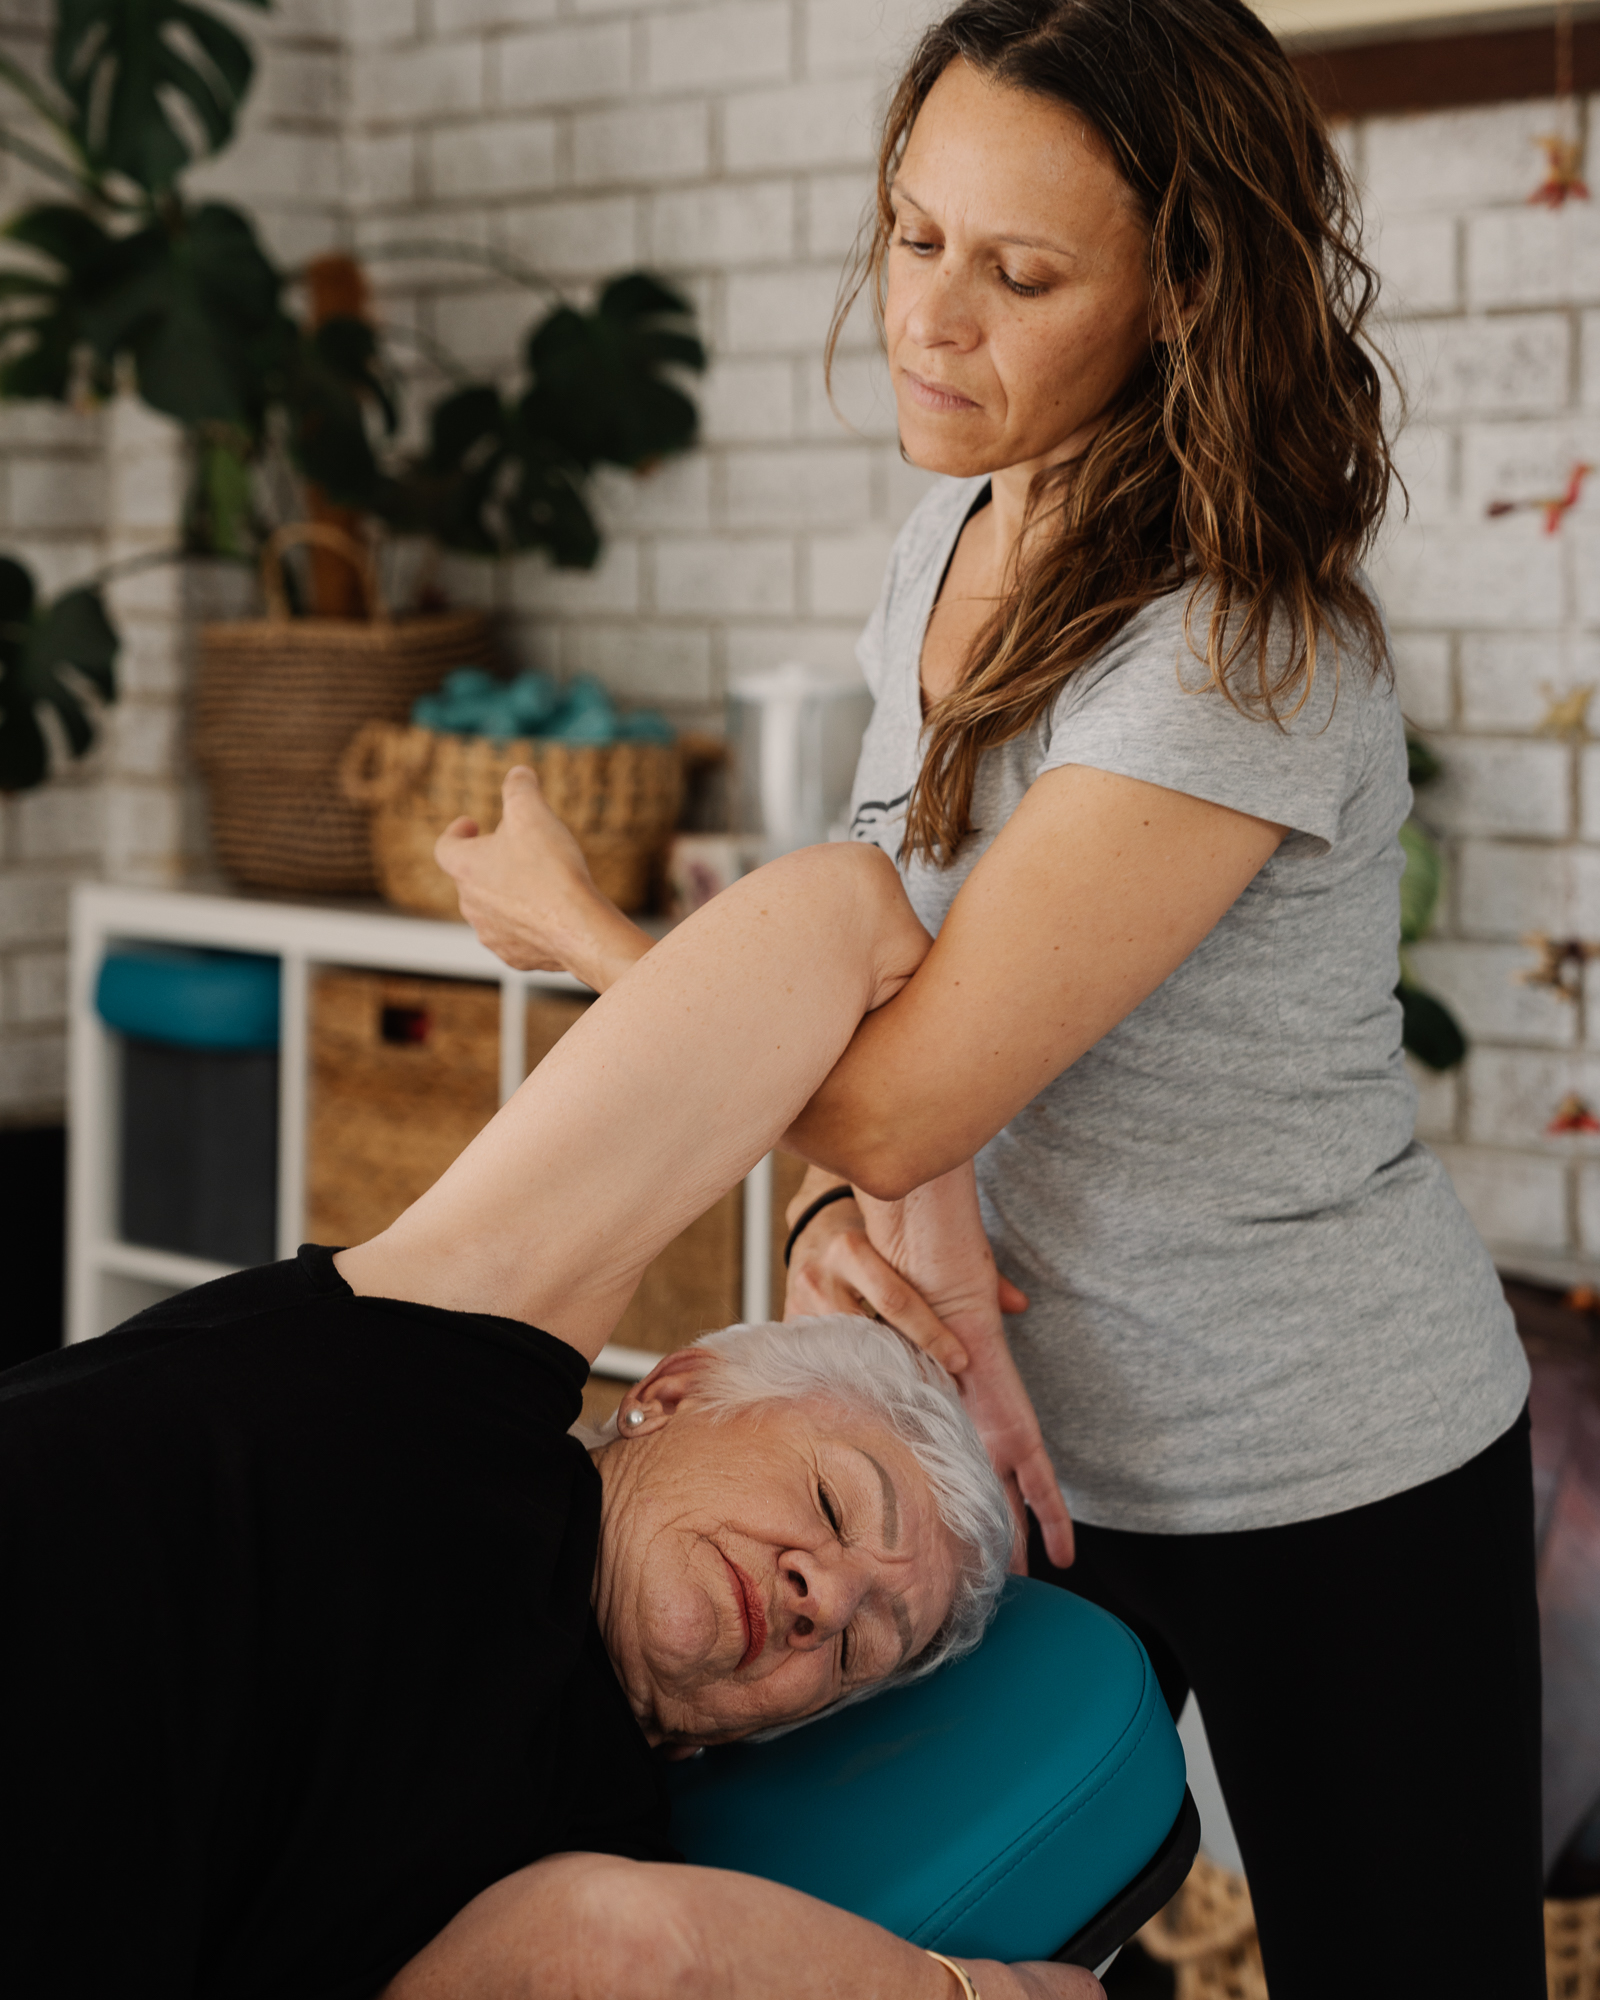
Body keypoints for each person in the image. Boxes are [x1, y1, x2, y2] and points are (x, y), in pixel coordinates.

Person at [438, 2, 1546, 1993]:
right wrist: (866, 1235)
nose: (928, 318)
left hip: (1319, 1459)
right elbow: (894, 961)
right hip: (1007, 1451)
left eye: (1019, 273)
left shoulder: (1230, 653)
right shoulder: (951, 534)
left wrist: (583, 929)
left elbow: (883, 1094)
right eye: (912, 235)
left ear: (1178, 300)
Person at [0, 842, 1103, 2000]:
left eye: (855, 1646)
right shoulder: (450, 1357)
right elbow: (845, 913)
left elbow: (618, 1941)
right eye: (832, 1501)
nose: (820, 1596)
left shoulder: (586, 1840)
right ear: (668, 1393)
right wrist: (917, 1212)